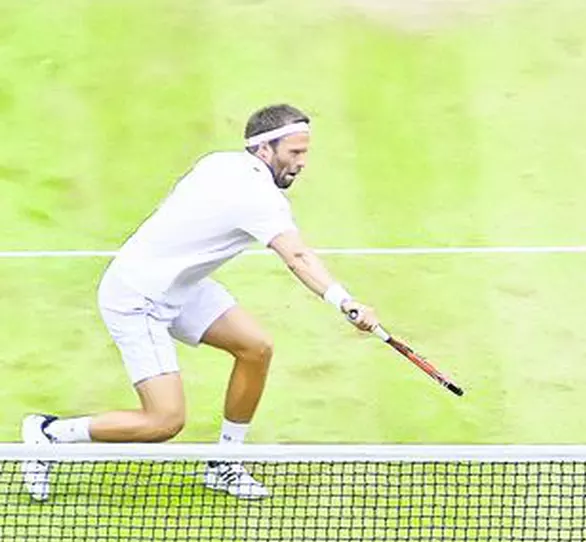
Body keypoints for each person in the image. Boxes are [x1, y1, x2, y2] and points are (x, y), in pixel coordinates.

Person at [21, 104, 381, 501]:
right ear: (264, 150)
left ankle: (224, 463)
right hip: (138, 297)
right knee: (164, 421)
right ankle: (49, 433)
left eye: (305, 152)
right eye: (294, 153)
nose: (302, 163)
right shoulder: (259, 198)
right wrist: (346, 302)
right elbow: (296, 257)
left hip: (182, 285)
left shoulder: (218, 163)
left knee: (255, 348)